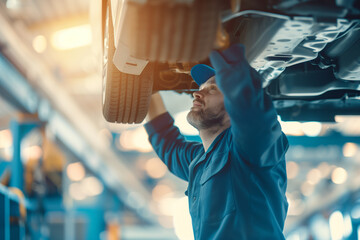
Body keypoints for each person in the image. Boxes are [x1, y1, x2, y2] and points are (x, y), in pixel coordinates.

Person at [144, 44, 289, 239]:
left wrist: (216, 38)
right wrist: (139, 81)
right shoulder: (201, 161)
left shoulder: (252, 148)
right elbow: (165, 140)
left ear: (233, 107)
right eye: (202, 88)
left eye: (211, 89)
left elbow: (251, 106)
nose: (197, 93)